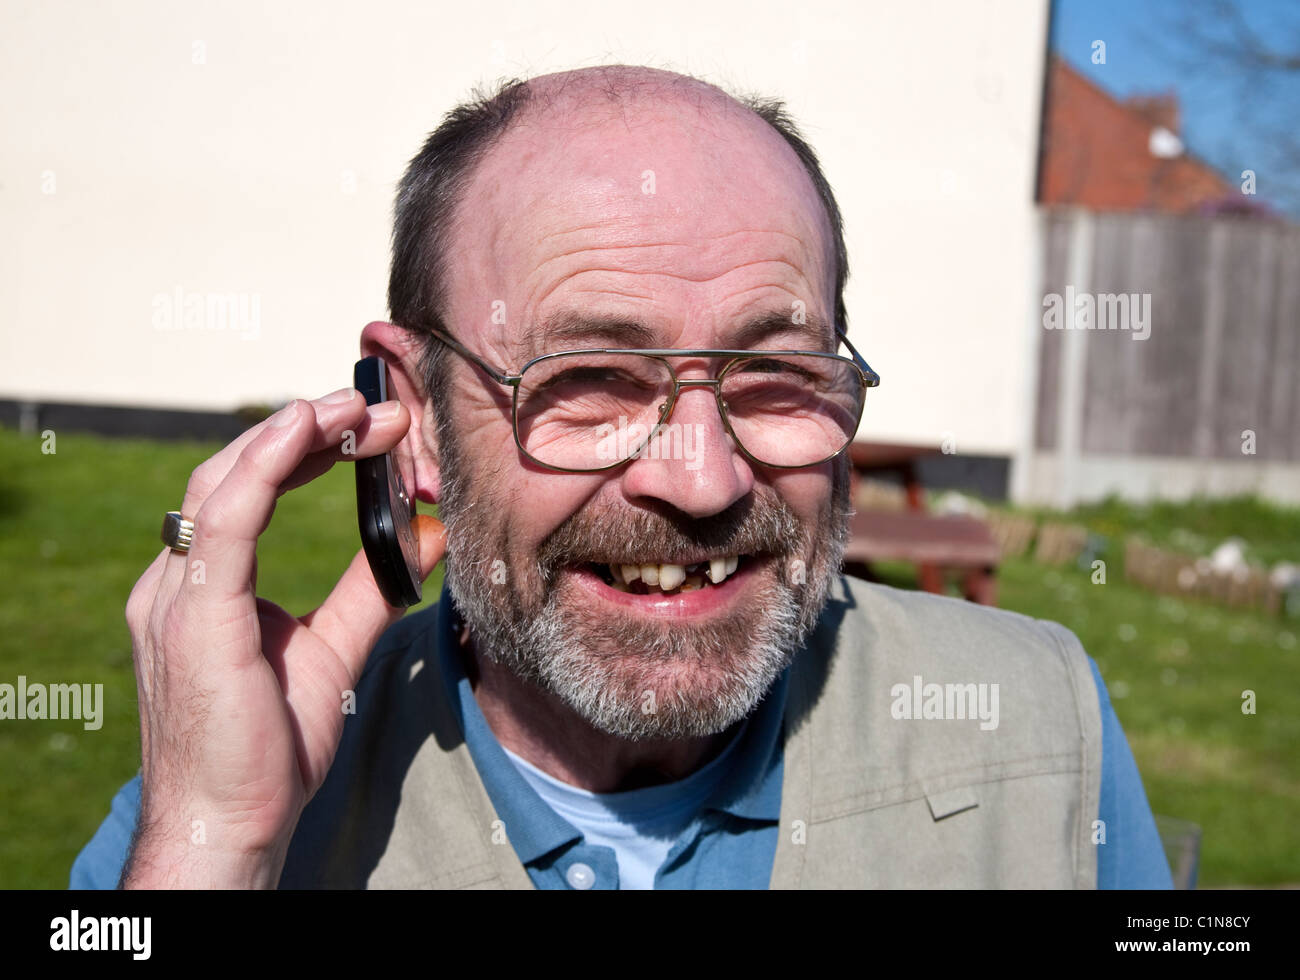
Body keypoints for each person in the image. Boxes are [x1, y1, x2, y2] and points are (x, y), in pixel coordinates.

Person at [71, 65, 1172, 889]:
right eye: (589, 376)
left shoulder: (1039, 723)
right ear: (410, 420)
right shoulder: (234, 791)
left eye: (774, 371)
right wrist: (214, 847)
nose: (700, 480)